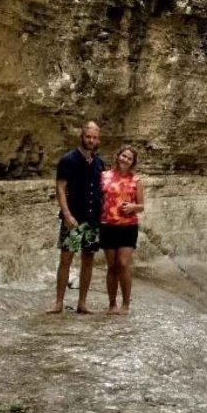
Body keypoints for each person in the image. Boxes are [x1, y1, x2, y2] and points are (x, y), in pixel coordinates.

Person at [50, 121, 104, 314]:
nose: (91, 140)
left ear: (98, 139)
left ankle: (82, 303)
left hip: (92, 219)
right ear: (82, 136)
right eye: (88, 136)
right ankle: (58, 302)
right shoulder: (68, 160)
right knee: (66, 258)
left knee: (88, 259)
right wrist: (66, 214)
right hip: (74, 218)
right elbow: (60, 188)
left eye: (94, 137)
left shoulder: (99, 162)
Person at [100, 145, 145, 315]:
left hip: (128, 226)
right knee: (111, 266)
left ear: (132, 163)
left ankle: (126, 304)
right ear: (118, 156)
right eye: (123, 156)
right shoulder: (104, 176)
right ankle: (112, 304)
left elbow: (141, 206)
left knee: (123, 264)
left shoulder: (136, 180)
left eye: (129, 158)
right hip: (107, 225)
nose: (125, 160)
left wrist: (133, 206)